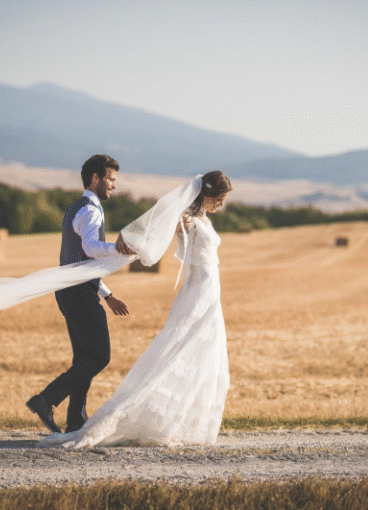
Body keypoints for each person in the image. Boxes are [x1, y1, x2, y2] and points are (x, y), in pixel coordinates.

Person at [38, 170, 232, 448]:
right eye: (220, 199)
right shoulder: (185, 219)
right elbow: (155, 222)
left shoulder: (200, 219)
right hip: (199, 288)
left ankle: (181, 420)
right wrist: (129, 242)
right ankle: (131, 414)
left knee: (205, 348)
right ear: (208, 195)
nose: (221, 205)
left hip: (210, 289)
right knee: (178, 348)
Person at [26, 154, 135, 434]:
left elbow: (82, 263)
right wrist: (118, 248)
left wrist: (108, 296)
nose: (114, 185)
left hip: (71, 290)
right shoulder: (91, 210)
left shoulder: (77, 206)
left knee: (84, 357)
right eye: (110, 179)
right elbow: (90, 248)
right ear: (95, 179)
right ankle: (47, 399)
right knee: (99, 356)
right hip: (78, 294)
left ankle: (76, 420)